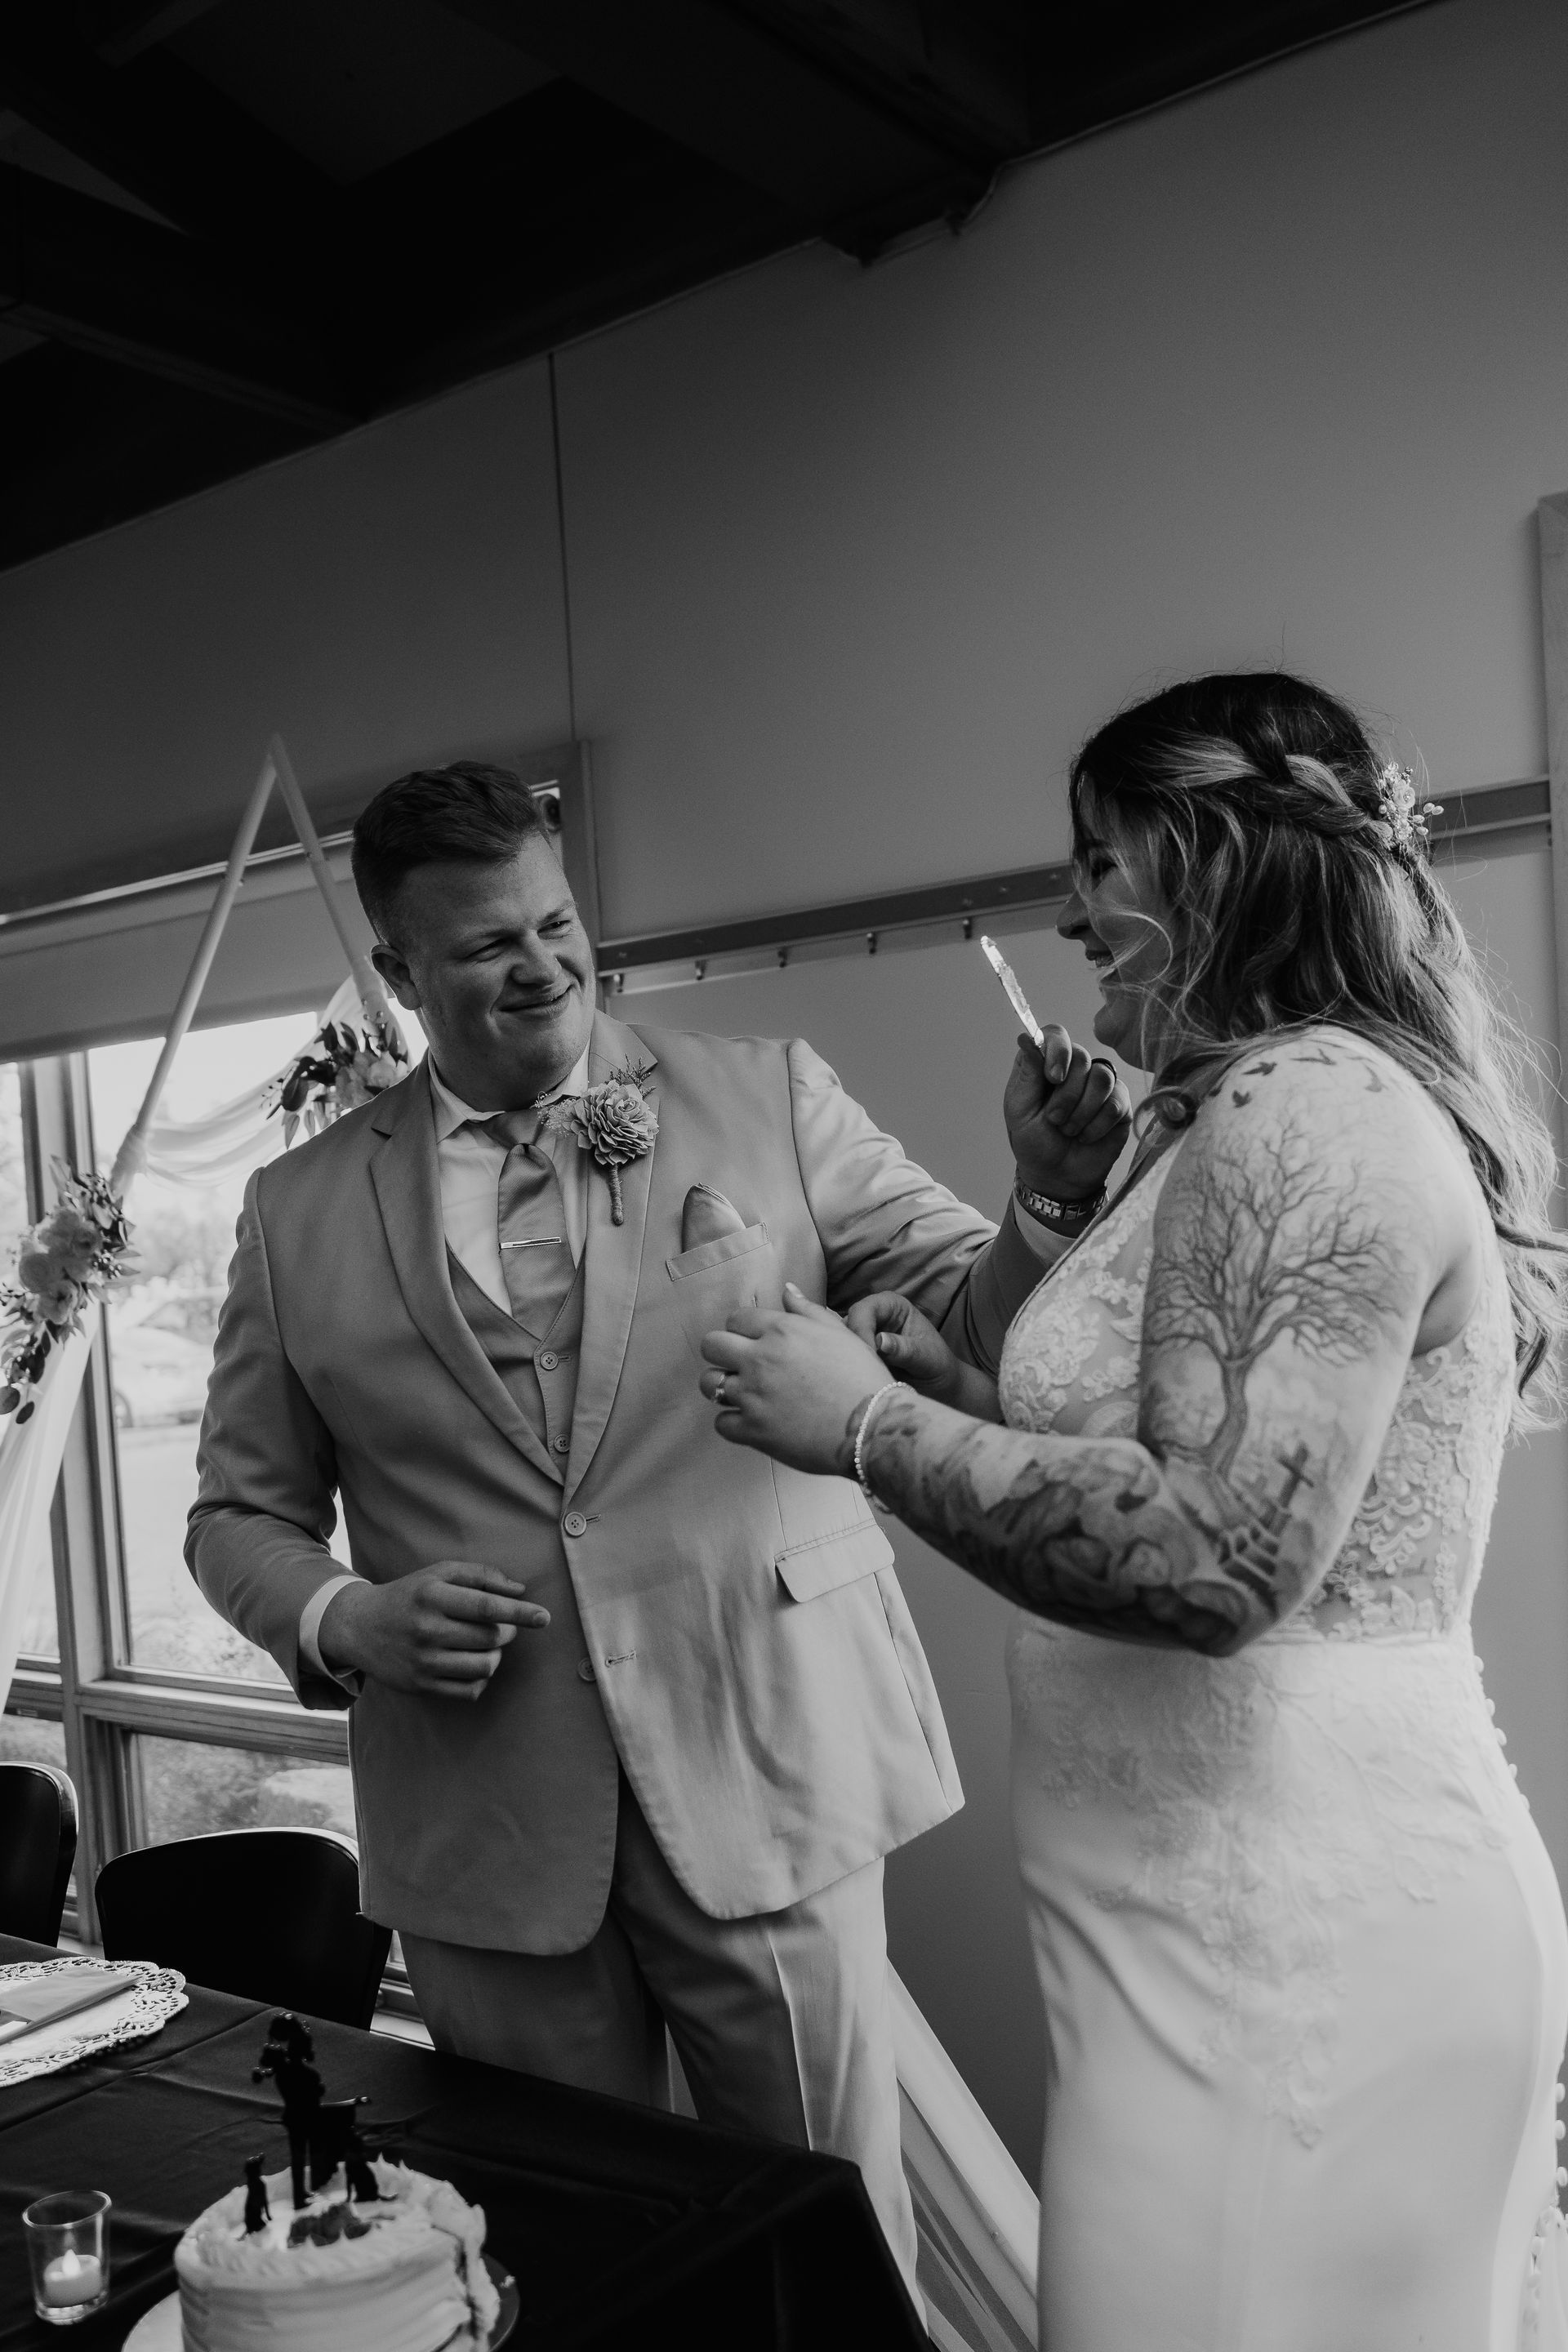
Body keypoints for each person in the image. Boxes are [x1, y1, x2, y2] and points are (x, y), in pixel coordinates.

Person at [185, 760, 1131, 2301]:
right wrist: (348, 1618)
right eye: (487, 945)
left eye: (556, 923)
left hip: (767, 1758)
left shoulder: (769, 1094)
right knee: (566, 2261)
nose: (543, 966)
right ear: (400, 972)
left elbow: (975, 1330)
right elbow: (238, 1513)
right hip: (486, 1832)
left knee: (829, 2250)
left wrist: (1045, 1202)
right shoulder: (295, 1215)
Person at [701, 672, 1568, 2350]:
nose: (1070, 911)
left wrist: (867, 1424)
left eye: (1102, 859)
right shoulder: (1217, 1117)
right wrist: (964, 1378)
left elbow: (1216, 1555)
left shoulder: (1303, 1112)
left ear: (1217, 856)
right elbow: (1152, 1451)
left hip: (1295, 1931)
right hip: (1191, 1908)